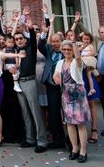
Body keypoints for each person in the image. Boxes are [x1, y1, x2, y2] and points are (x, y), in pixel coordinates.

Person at [53, 40, 90, 163]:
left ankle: (83, 150)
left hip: (78, 93)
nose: (66, 52)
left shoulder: (77, 62)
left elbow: (78, 58)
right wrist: (56, 78)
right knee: (69, 123)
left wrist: (73, 42)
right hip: (66, 94)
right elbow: (56, 74)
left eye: (69, 50)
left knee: (80, 124)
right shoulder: (60, 62)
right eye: (65, 50)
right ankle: (74, 148)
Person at [14, 21, 48, 153]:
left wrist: (30, 29)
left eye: (20, 38)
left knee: (35, 112)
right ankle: (30, 139)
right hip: (19, 83)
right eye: (16, 39)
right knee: (25, 112)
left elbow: (33, 42)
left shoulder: (30, 49)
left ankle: (42, 141)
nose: (18, 41)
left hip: (30, 82)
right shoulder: (17, 52)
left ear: (25, 39)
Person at [38, 11, 66, 149]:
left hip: (66, 87)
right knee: (54, 113)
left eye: (58, 41)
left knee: (67, 114)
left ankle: (71, 139)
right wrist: (44, 33)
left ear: (61, 42)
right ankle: (57, 139)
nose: (55, 43)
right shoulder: (49, 51)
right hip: (51, 86)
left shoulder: (66, 52)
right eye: (53, 41)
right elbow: (40, 46)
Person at [79, 31, 101, 144]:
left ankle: (94, 130)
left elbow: (93, 54)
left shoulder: (91, 46)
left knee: (92, 103)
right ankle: (81, 131)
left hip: (88, 76)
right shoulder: (78, 47)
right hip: (79, 78)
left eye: (87, 39)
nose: (85, 40)